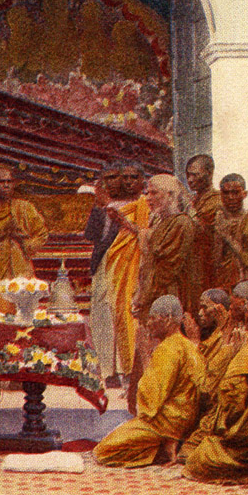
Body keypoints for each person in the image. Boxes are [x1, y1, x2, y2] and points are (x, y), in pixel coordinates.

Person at [184, 289, 248, 484]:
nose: (243, 314)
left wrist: (233, 355)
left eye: (247, 310)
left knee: (198, 458)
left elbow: (231, 401)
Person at [93, 295, 204, 467]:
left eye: (152, 318)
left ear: (167, 319)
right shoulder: (188, 344)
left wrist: (145, 355)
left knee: (104, 451)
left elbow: (150, 399)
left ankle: (160, 445)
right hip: (184, 421)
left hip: (164, 423)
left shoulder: (169, 349)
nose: (148, 323)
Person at [89, 164, 149, 385]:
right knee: (103, 315)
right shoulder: (105, 205)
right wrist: (99, 207)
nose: (124, 182)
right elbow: (91, 235)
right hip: (105, 264)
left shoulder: (143, 204)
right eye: (115, 178)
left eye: (132, 177)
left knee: (124, 313)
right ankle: (107, 371)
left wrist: (120, 219)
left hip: (130, 263)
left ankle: (128, 369)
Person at [179, 288, 237, 461]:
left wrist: (195, 343)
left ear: (219, 309)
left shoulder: (225, 338)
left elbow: (205, 383)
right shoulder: (216, 335)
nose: (200, 313)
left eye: (205, 308)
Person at [0, 166, 48, 307]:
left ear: (14, 184)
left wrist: (24, 243)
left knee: (23, 309)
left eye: (9, 181)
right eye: (1, 182)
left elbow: (41, 234)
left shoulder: (25, 208)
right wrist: (3, 232)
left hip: (21, 267)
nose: (6, 185)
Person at [134, 174, 197, 317]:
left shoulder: (181, 223)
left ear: (170, 194)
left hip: (170, 297)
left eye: (154, 193)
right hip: (152, 296)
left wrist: (143, 298)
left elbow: (167, 269)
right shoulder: (158, 223)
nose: (148, 198)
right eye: (147, 193)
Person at [185, 154, 222, 293]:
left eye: (195, 175)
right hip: (190, 265)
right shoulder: (194, 200)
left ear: (209, 173)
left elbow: (201, 230)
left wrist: (189, 209)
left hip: (208, 266)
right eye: (188, 175)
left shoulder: (218, 200)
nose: (190, 180)